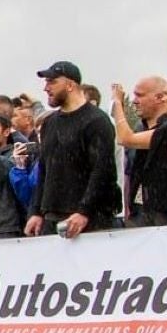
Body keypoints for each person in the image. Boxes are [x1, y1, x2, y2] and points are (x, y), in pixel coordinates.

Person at [25, 61, 119, 239]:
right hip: (52, 215)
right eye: (46, 82)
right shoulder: (49, 123)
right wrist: (36, 211)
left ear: (70, 85)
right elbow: (44, 170)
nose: (46, 88)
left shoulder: (96, 121)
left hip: (88, 218)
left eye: (52, 82)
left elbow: (102, 170)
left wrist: (84, 211)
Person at [112, 77, 167, 226]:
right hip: (148, 212)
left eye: (166, 94)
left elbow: (125, 138)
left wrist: (117, 105)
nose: (163, 99)